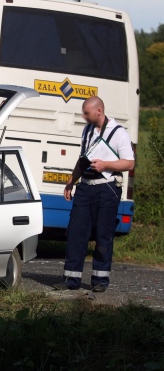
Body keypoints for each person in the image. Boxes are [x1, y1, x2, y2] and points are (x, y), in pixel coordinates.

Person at [53, 96, 134, 293]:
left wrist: (106, 165)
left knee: (103, 235)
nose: (83, 116)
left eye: (86, 113)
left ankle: (100, 280)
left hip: (107, 188)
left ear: (99, 111)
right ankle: (71, 279)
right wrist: (71, 181)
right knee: (76, 233)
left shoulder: (118, 133)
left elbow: (129, 163)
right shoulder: (87, 130)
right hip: (85, 187)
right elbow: (83, 158)